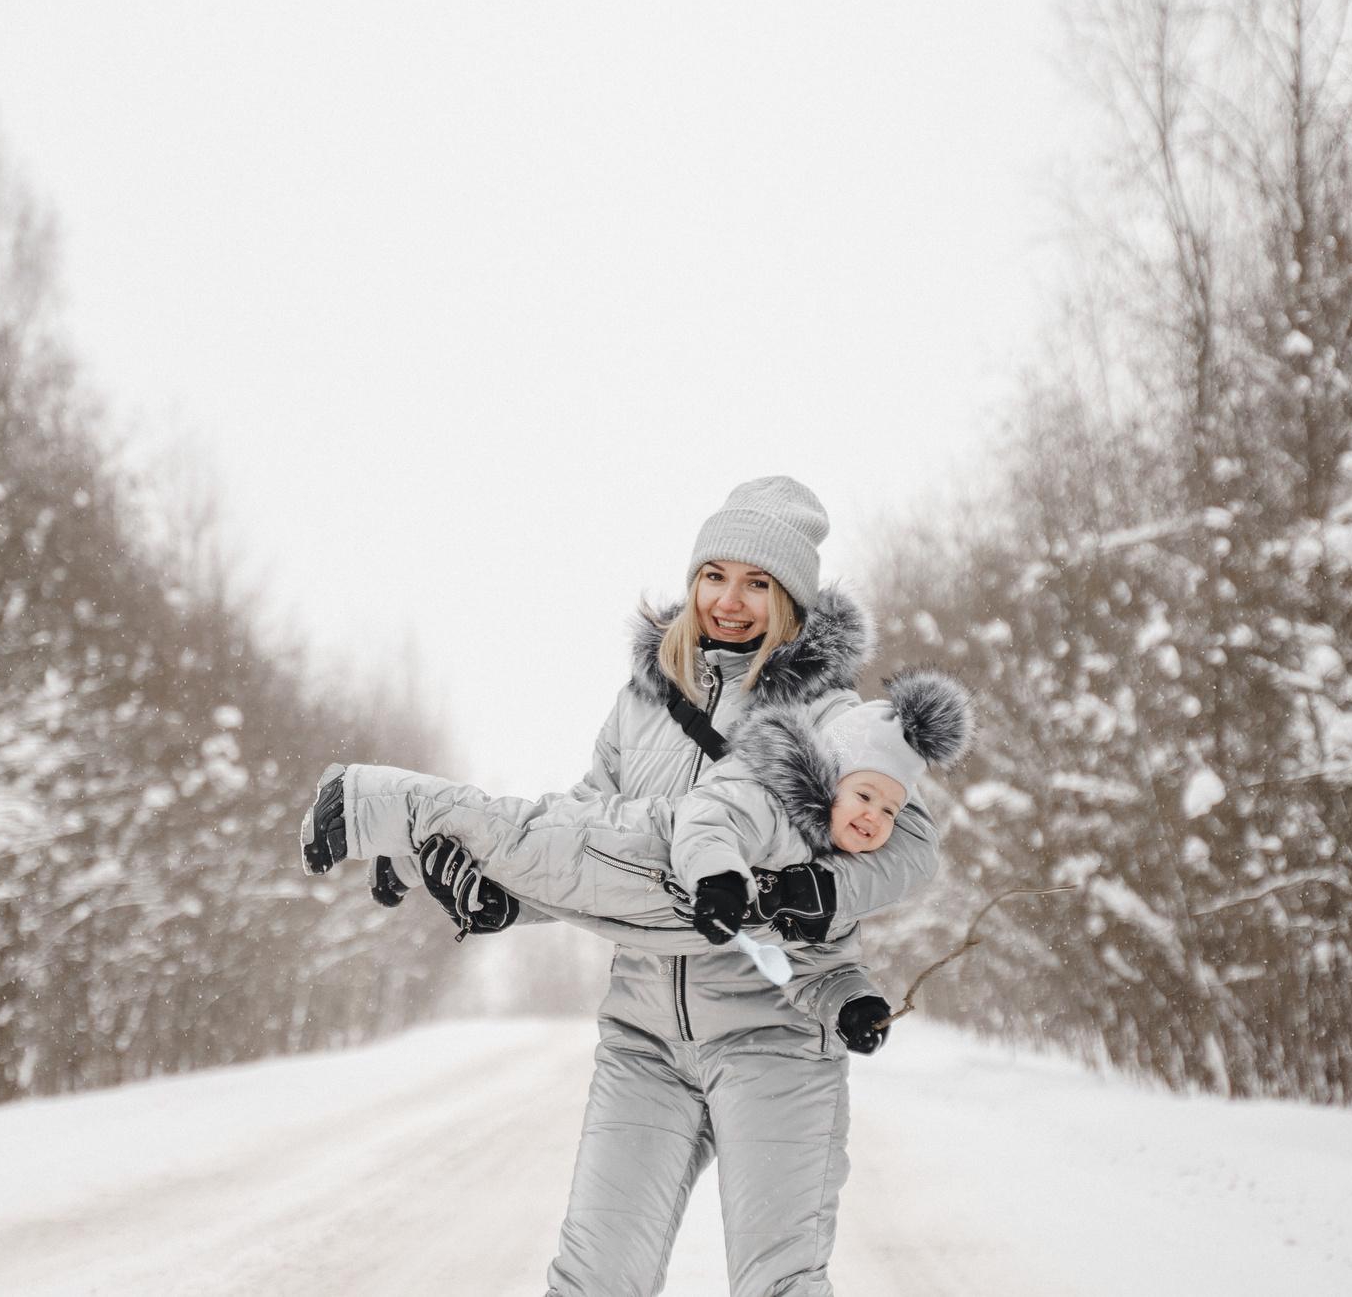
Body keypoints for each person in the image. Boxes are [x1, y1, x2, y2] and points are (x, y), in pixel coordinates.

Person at [382, 476, 942, 1297]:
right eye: (714, 574)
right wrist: (506, 895)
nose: (730, 600)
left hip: (775, 1030)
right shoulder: (643, 705)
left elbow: (914, 844)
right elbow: (585, 834)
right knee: (591, 1280)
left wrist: (823, 888)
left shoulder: (832, 713)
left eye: (758, 582)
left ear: (791, 600)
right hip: (645, 1035)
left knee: (779, 1284)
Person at [298, 669, 972, 1053]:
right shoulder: (772, 804)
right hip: (631, 847)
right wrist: (719, 878)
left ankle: (408, 858)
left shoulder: (829, 885)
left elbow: (823, 960)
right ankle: (359, 796)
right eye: (863, 795)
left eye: (889, 809)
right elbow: (711, 820)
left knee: (513, 880)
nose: (872, 819)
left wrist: (852, 1003)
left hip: (637, 910)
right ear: (827, 778)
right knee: (512, 835)